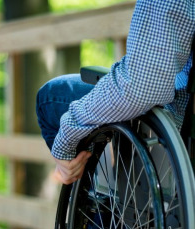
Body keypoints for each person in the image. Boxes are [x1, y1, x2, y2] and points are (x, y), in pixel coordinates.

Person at [36, 0, 195, 185]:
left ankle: (105, 209)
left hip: (180, 127)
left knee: (49, 98)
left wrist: (66, 137)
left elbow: (142, 86)